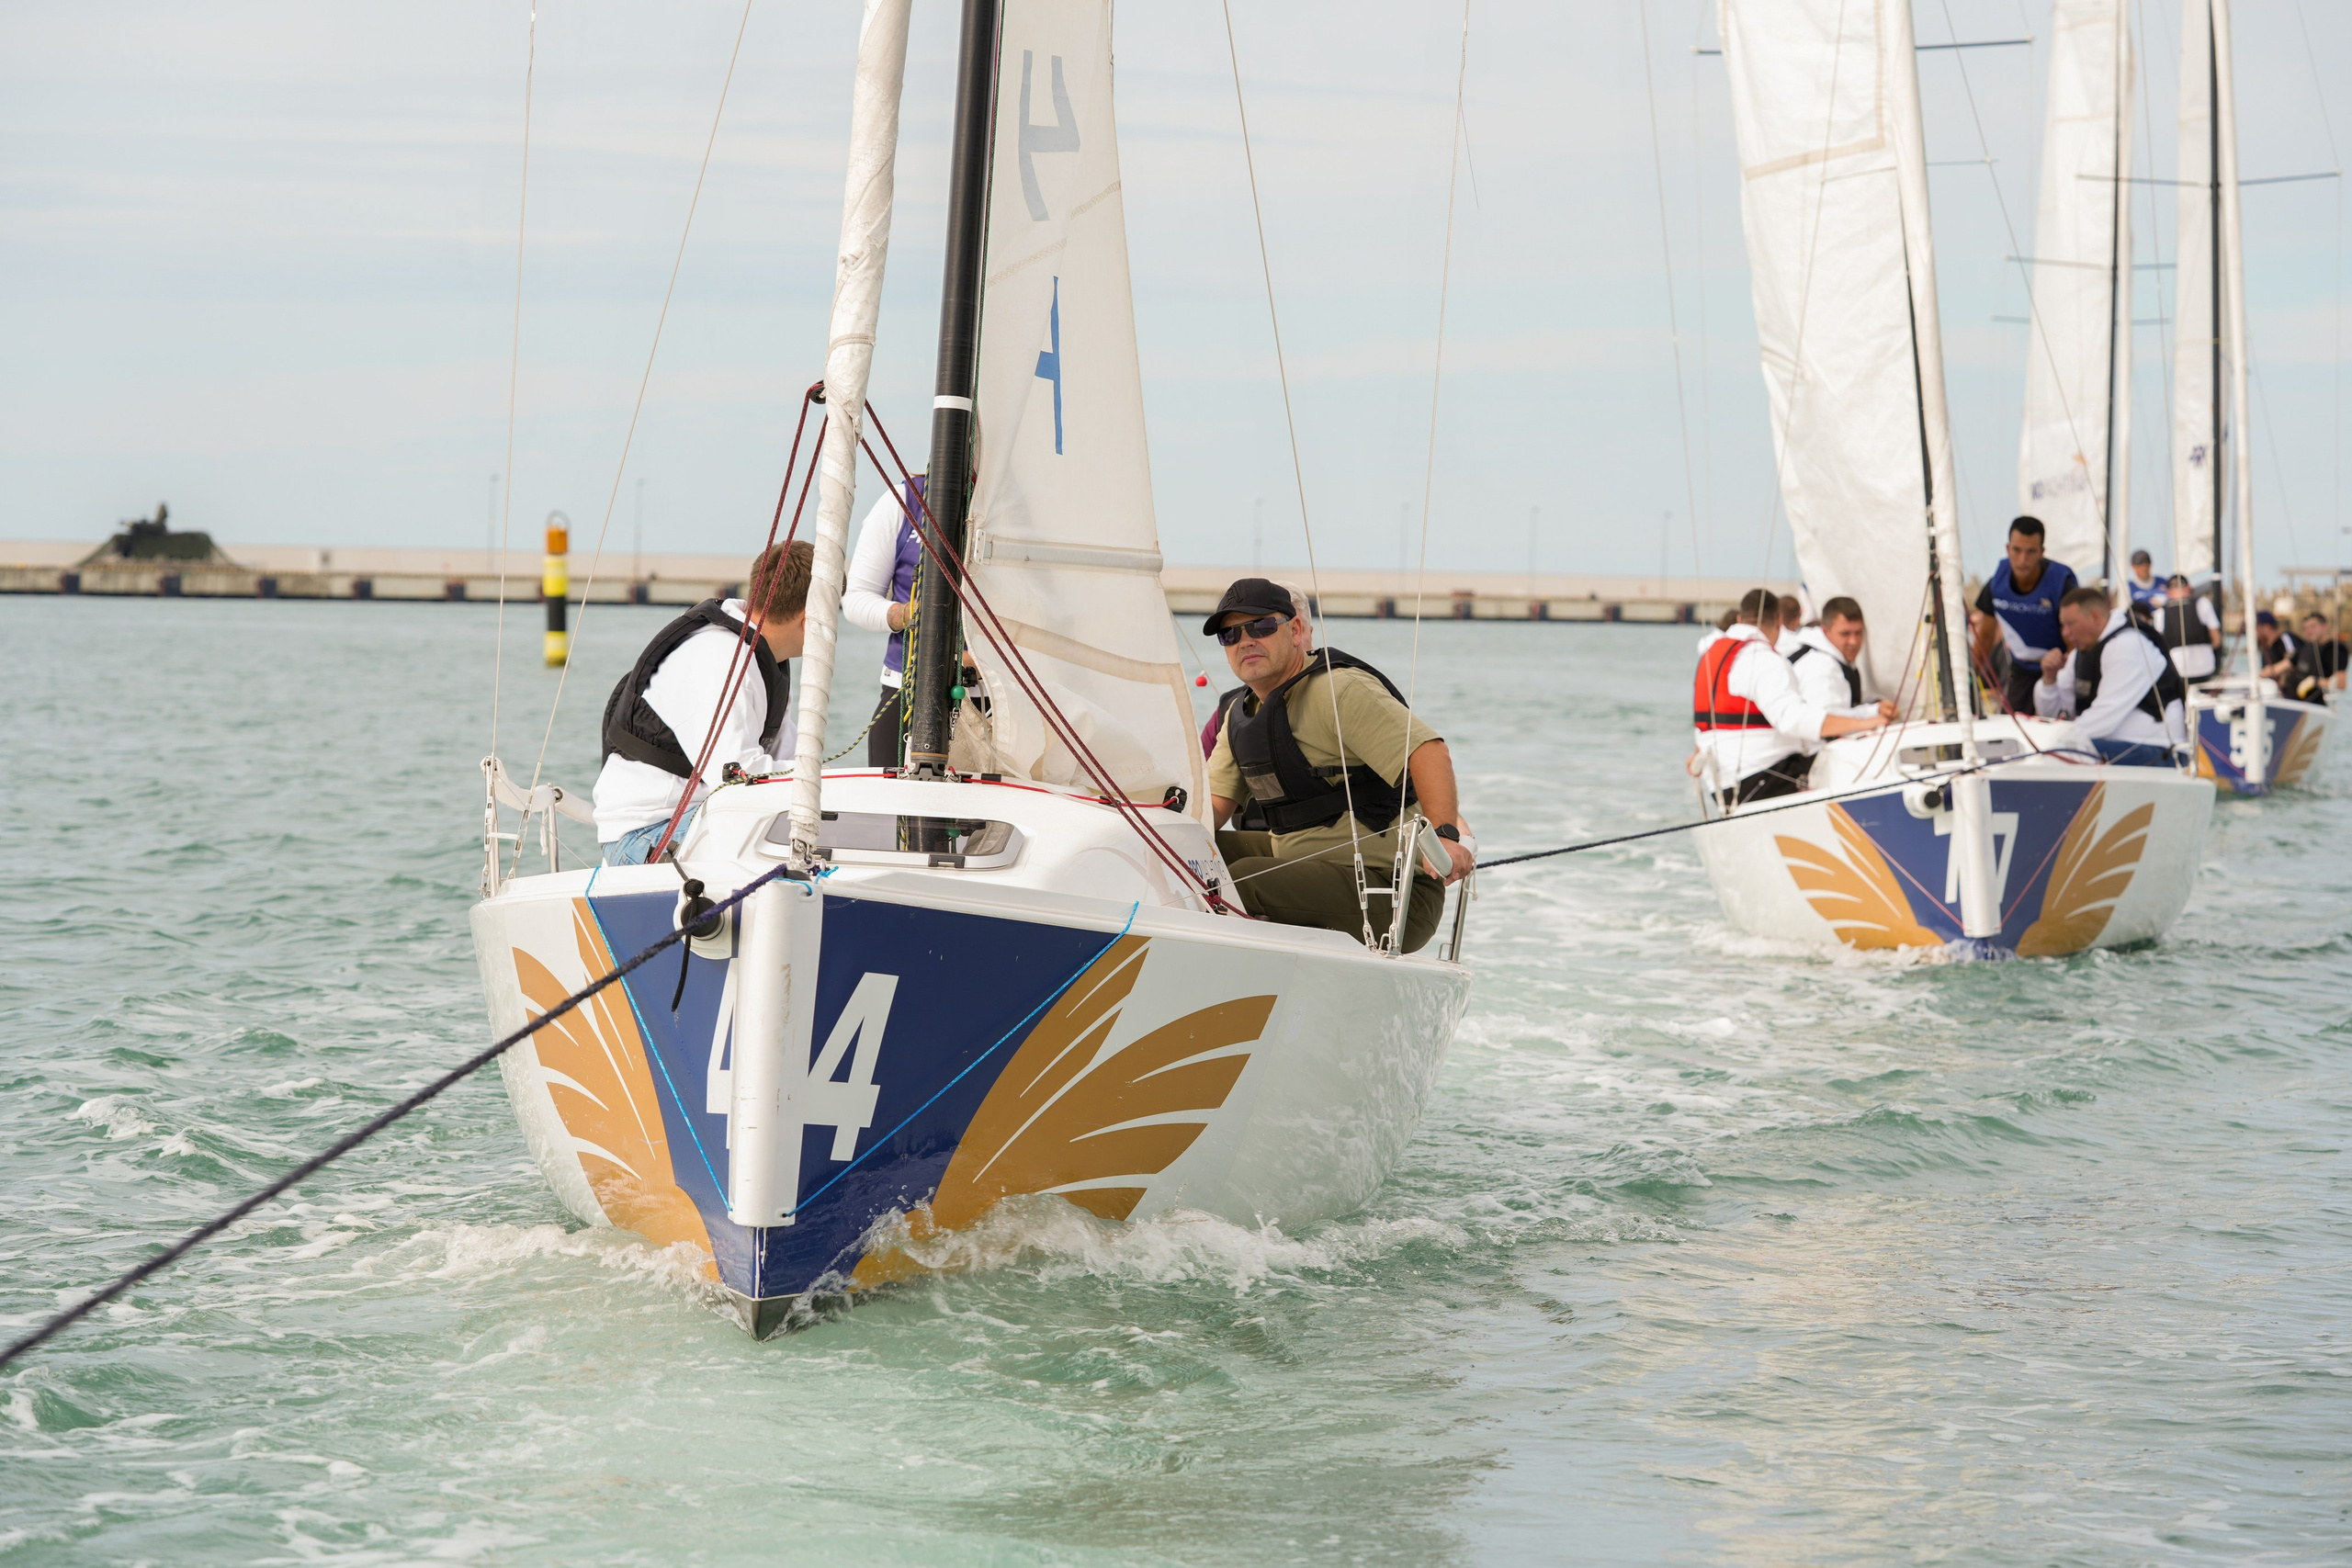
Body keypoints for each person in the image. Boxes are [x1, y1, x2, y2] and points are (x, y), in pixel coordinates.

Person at [1203, 578, 1472, 952]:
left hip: (1393, 893)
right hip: (1306, 867)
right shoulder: (1240, 714)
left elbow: (1428, 750)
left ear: (1296, 630)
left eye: (1260, 626)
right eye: (1230, 635)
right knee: (1193, 851)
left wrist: (1445, 836)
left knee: (1242, 878)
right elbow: (1211, 809)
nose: (1245, 641)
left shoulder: (1340, 689)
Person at [594, 540, 811, 864]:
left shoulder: (767, 659)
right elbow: (736, 777)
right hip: (647, 834)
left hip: (696, 816)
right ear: (809, 619)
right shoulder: (724, 660)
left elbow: (787, 758)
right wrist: (819, 781)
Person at [1694, 587, 1894, 807]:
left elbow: (1709, 723)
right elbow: (1793, 719)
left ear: (1740, 619)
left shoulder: (1712, 655)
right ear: (1779, 620)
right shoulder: (1763, 658)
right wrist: (1867, 722)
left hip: (1722, 785)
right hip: (1765, 779)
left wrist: (1698, 751)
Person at [2033, 584, 2187, 766]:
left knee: (2053, 756)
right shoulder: (2079, 654)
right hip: (2111, 746)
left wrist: (2050, 741)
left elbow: (2105, 717)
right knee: (2049, 753)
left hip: (2158, 750)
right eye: (2063, 625)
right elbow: (2054, 714)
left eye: (2071, 624)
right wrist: (2049, 679)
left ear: (2095, 616)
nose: (2065, 632)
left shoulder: (2128, 645)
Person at [840, 474, 926, 767]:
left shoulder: (1024, 502)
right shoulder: (904, 501)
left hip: (1001, 696)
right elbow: (856, 599)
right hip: (906, 688)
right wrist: (909, 614)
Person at [1973, 516, 2080, 716]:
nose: (2022, 560)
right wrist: (1970, 679)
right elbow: (1984, 638)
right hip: (2022, 670)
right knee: (2010, 726)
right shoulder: (1996, 585)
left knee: (2058, 726)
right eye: (2017, 550)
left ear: (2042, 552)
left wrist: (2073, 677)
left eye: (2031, 551)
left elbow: (2076, 639)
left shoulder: (2062, 585)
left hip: (2059, 671)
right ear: (2007, 549)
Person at [1788, 596, 1879, 715]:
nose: (1854, 642)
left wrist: (1873, 703)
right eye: (1845, 634)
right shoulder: (1819, 666)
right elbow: (1828, 719)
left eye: (1858, 633)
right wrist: (1873, 711)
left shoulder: (1834, 657)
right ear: (1825, 631)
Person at [2153, 573, 2222, 683]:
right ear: (2188, 588)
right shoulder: (2203, 603)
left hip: (2177, 672)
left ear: (2168, 592)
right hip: (2205, 668)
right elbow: (2216, 639)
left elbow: (2159, 646)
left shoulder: (2160, 613)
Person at [2295, 612, 2348, 694]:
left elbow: (2340, 684)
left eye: (2313, 626)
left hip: (2317, 700)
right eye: (2306, 628)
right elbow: (2288, 663)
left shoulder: (2333, 649)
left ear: (2325, 627)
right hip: (2293, 697)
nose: (2309, 630)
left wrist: (2315, 681)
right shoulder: (2307, 647)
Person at [2253, 611, 2301, 694]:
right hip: (2275, 693)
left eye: (2256, 629)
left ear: (2267, 627)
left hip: (2293, 694)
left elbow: (2295, 658)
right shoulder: (2266, 648)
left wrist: (2272, 671)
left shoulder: (2285, 638)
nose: (2255, 633)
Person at [2123, 549, 2165, 615]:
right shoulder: (2128, 586)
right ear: (2133, 566)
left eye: (2146, 564)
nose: (2144, 567)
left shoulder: (2163, 582)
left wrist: (2163, 606)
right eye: (2140, 564)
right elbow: (2125, 611)